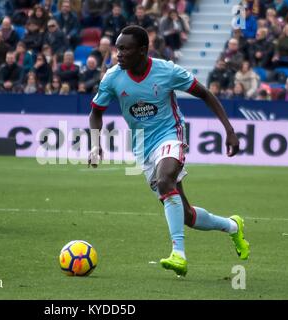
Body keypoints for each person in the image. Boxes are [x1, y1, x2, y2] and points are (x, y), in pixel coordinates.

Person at [88, 25, 250, 277]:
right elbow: (96, 112)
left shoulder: (167, 71)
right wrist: (96, 143)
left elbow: (205, 94)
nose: (118, 54)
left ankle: (179, 254)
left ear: (142, 50)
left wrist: (229, 130)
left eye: (124, 49)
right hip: (144, 147)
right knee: (185, 214)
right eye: (117, 48)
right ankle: (232, 226)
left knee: (165, 181)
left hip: (170, 134)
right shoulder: (112, 77)